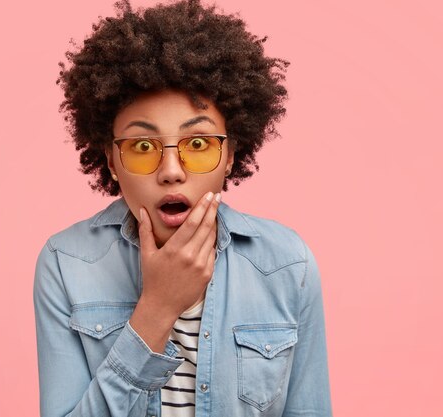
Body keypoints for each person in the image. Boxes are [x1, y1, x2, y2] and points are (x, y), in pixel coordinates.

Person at [33, 1, 332, 416]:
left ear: (230, 155)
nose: (171, 172)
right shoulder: (66, 264)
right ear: (111, 161)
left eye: (197, 145)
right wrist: (157, 307)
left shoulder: (287, 265)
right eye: (142, 147)